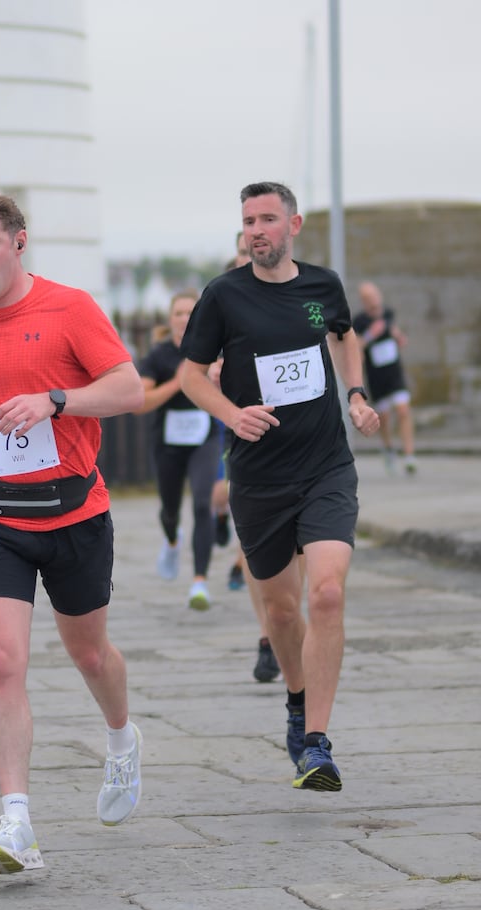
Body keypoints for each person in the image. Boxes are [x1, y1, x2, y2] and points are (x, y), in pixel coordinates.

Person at [0, 192, 145, 875]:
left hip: (74, 516)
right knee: (0, 661)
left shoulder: (70, 308)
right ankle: (16, 821)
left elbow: (129, 389)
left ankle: (121, 740)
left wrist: (55, 400)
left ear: (18, 243)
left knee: (88, 653)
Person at [181, 181, 379, 791]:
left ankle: (316, 743)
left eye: (268, 218)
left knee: (325, 594)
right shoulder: (223, 296)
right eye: (248, 220)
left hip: (325, 467)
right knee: (283, 608)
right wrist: (231, 414)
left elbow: (343, 335)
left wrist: (355, 394)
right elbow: (191, 375)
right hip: (259, 477)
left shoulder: (322, 287)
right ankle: (297, 701)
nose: (257, 229)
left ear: (293, 225)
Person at [218, 234, 282, 682]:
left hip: (298, 438)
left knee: (294, 552)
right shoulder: (222, 304)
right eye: (241, 252)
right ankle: (267, 638)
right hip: (244, 439)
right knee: (256, 546)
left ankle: (284, 624)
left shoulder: (293, 297)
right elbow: (197, 369)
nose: (249, 258)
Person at [136, 290, 221, 611]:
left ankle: (200, 581)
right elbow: (142, 403)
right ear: (170, 319)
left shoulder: (212, 350)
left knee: (203, 503)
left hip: (205, 437)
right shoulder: (157, 356)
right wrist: (180, 381)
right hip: (168, 442)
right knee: (169, 508)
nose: (185, 319)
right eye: (179, 314)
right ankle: (172, 541)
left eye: (191, 313)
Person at [353, 282, 417, 474]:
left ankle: (409, 455)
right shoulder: (359, 321)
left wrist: (399, 338)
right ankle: (388, 448)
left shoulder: (388, 314)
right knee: (385, 417)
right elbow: (357, 347)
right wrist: (370, 335)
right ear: (363, 301)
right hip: (376, 376)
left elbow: (396, 333)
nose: (373, 300)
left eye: (374, 296)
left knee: (404, 410)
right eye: (368, 298)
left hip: (394, 372)